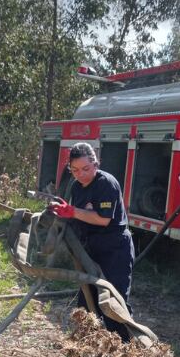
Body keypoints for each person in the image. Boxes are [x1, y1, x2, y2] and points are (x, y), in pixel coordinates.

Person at [51, 142, 135, 339]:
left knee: (114, 303)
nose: (80, 174)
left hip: (114, 249)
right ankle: (89, 349)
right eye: (75, 170)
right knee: (88, 303)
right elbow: (80, 216)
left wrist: (72, 211)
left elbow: (102, 219)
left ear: (96, 164)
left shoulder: (106, 183)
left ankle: (123, 351)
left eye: (85, 169)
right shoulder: (76, 186)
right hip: (91, 248)